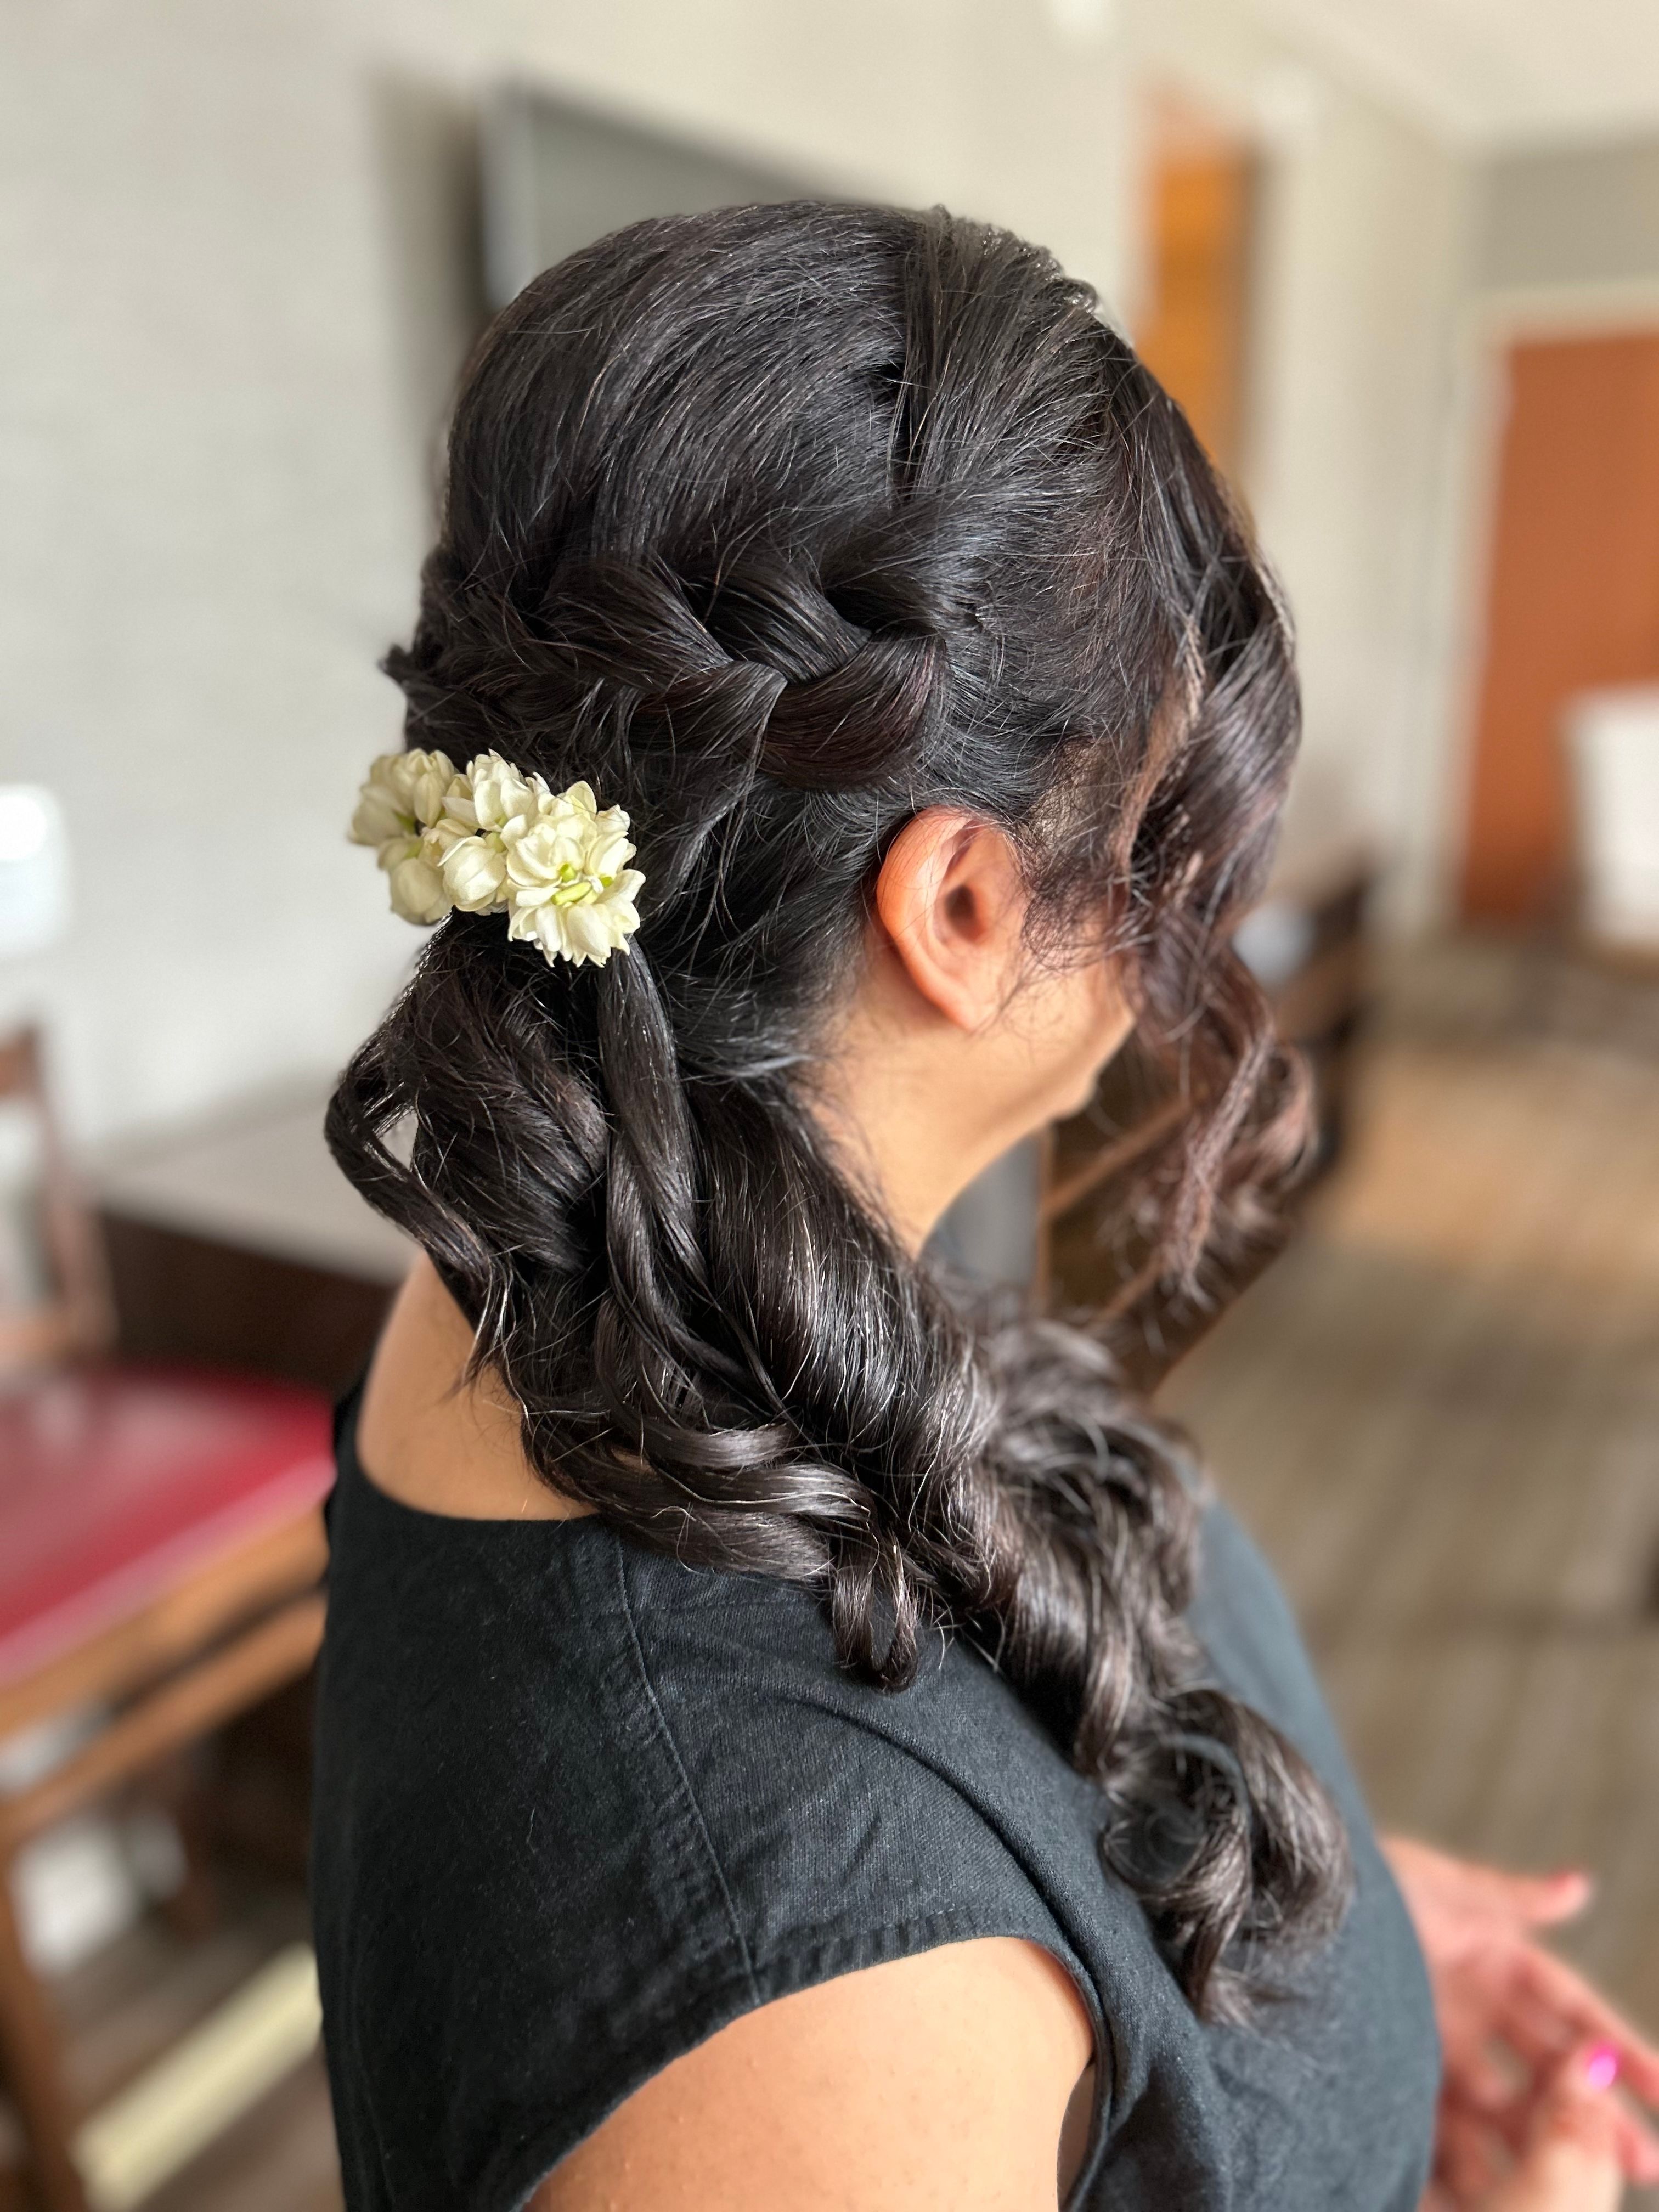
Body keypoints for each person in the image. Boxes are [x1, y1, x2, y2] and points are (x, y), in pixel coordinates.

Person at [312, 202, 1659, 2211]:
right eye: (1166, 828)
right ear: (960, 904)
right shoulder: (812, 2038)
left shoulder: (569, 1254)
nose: (1189, 915)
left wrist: (1335, 1950)